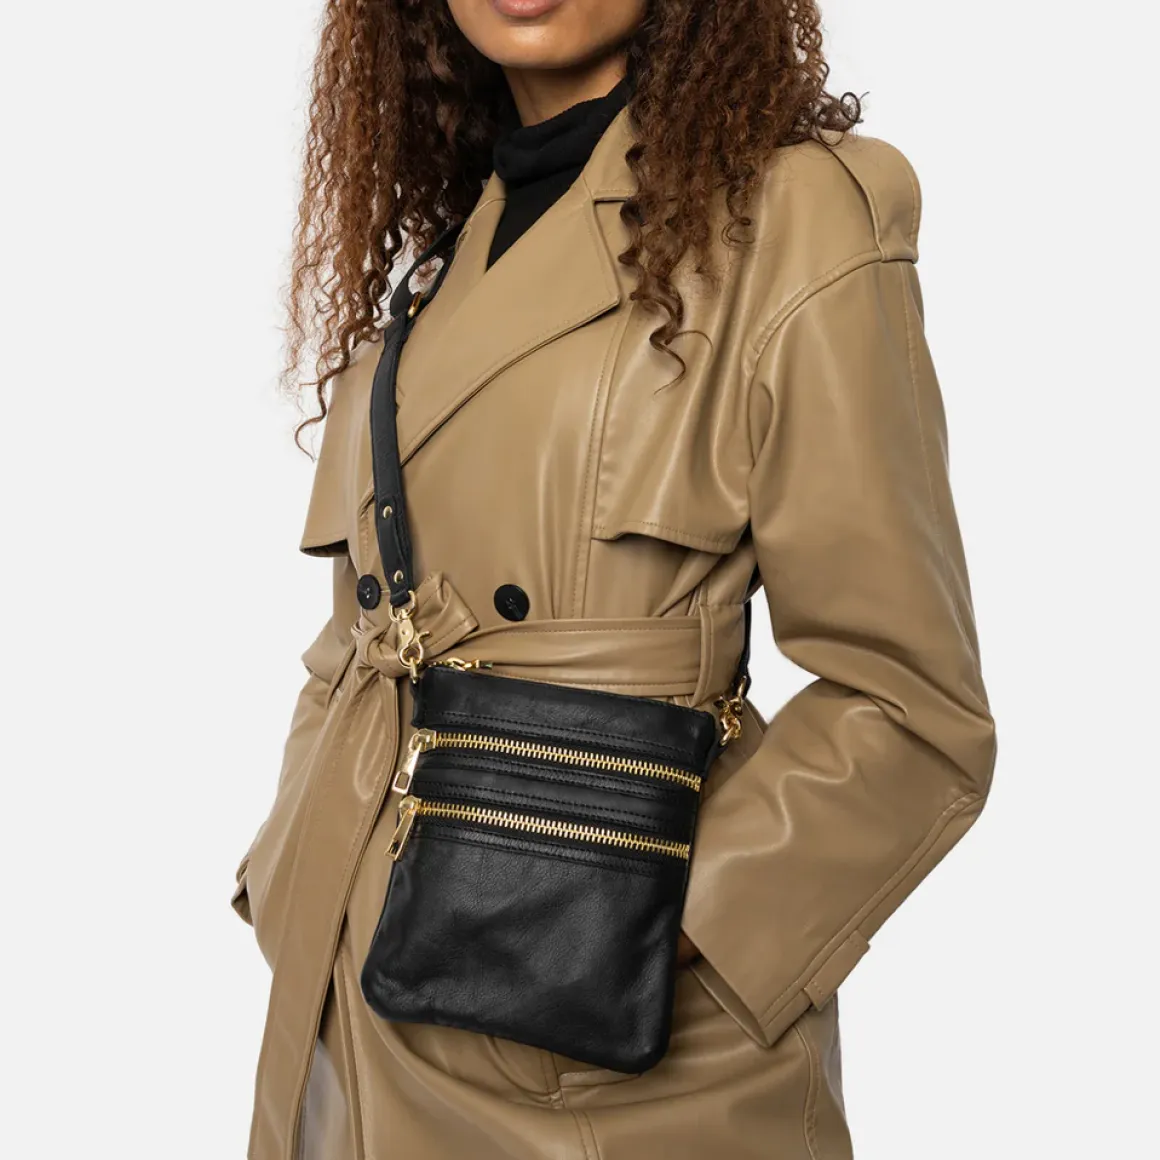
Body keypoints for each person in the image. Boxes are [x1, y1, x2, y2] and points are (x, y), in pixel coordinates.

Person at [232, 1, 997, 1157]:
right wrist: (300, 869)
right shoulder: (442, 253)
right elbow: (364, 633)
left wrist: (649, 931)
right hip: (357, 1007)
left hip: (614, 1070)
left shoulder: (795, 216)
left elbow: (908, 703)